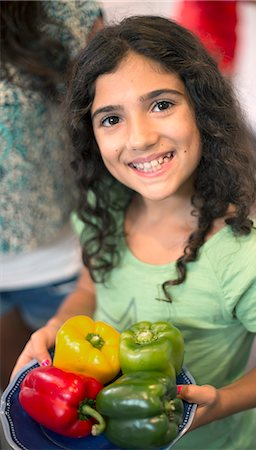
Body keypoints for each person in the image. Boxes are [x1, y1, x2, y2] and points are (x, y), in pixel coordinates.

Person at [11, 15, 256, 450]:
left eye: (161, 104)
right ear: (91, 134)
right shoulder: (99, 212)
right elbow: (91, 286)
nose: (140, 138)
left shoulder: (249, 261)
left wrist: (224, 401)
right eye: (111, 118)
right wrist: (58, 324)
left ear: (202, 108)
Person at [0, 1, 103, 391]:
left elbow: (111, 126)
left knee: (67, 403)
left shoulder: (69, 13)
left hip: (59, 265)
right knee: (13, 402)